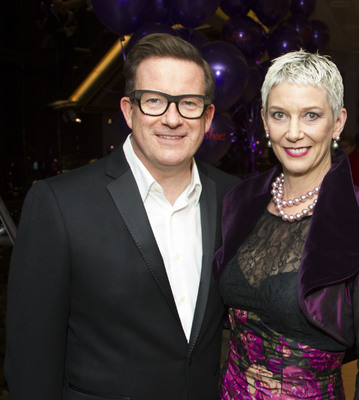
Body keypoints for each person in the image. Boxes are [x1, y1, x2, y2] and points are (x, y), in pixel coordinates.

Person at [5, 33, 239, 399]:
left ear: (208, 116)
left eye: (189, 103)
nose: (172, 119)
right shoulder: (59, 204)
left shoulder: (232, 198)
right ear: (129, 111)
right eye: (155, 102)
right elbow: (30, 360)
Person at [212, 50, 359, 399]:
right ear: (265, 122)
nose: (293, 133)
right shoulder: (240, 201)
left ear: (338, 122)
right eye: (280, 115)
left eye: (311, 115)